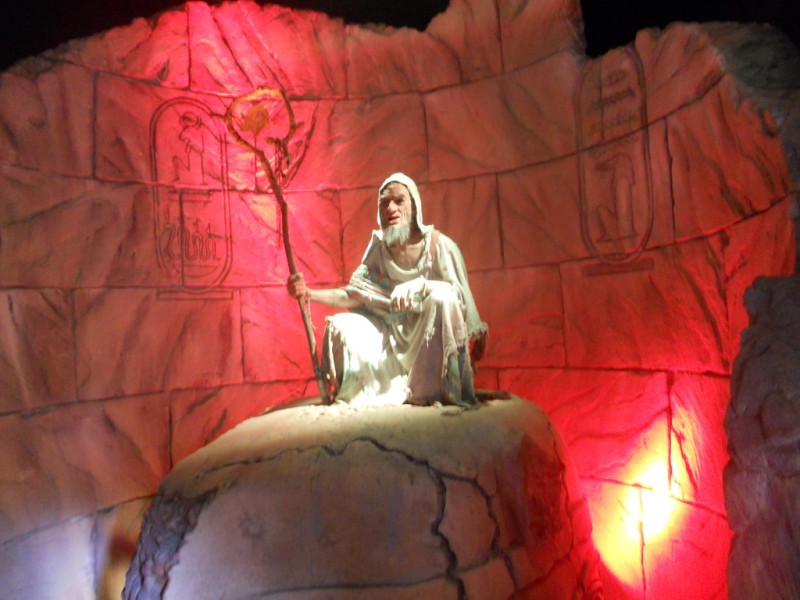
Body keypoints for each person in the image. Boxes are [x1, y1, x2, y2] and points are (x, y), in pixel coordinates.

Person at [287, 173, 487, 407]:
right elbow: (355, 295)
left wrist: (421, 285)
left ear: (414, 205)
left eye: (399, 200)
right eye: (384, 203)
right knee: (340, 326)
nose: (390, 208)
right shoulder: (379, 249)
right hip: (390, 340)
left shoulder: (439, 246)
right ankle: (380, 391)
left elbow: (458, 298)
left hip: (429, 339)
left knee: (443, 298)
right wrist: (308, 294)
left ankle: (431, 391)